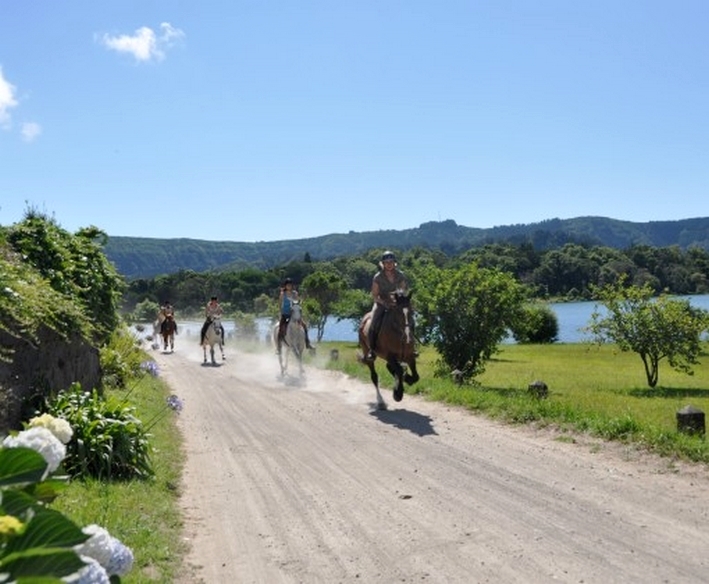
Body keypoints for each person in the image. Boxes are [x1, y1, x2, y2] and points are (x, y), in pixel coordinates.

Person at [365, 250, 409, 361]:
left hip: (396, 303)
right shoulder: (378, 277)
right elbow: (375, 295)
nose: (389, 264)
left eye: (391, 262)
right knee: (374, 321)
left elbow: (403, 290)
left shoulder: (401, 275)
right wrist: (384, 303)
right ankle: (372, 349)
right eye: (386, 262)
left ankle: (411, 346)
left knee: (408, 319)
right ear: (383, 264)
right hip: (381, 303)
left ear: (394, 263)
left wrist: (398, 298)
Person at [277, 277, 314, 353]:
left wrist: (299, 313)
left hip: (293, 314)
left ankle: (307, 343)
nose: (289, 286)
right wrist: (280, 313)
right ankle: (279, 348)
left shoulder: (295, 293)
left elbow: (297, 304)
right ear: (285, 286)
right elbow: (280, 304)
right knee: (280, 329)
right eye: (288, 285)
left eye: (290, 285)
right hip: (285, 314)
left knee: (304, 326)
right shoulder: (282, 294)